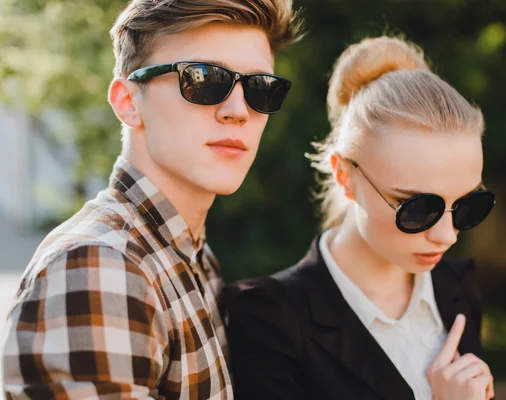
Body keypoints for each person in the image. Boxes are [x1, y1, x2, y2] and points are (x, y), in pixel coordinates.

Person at [2, 0, 303, 398]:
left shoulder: (188, 255)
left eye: (260, 88)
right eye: (204, 79)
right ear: (128, 102)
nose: (238, 111)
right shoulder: (102, 266)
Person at [225, 35, 496, 400]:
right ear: (345, 176)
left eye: (467, 206)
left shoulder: (456, 286)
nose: (447, 236)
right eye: (418, 208)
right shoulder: (269, 319)